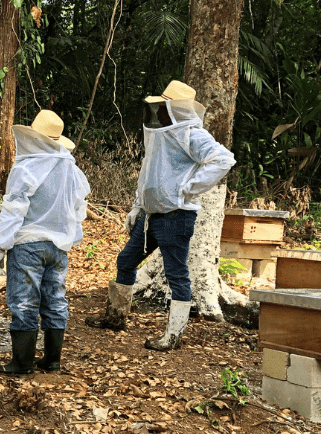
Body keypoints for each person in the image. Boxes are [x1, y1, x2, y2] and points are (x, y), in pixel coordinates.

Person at [85, 80, 235, 350]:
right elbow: (148, 173)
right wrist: (137, 205)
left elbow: (223, 159)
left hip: (176, 216)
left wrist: (188, 188)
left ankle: (173, 336)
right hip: (152, 214)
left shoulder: (191, 133)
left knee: (177, 275)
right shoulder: (160, 134)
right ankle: (115, 317)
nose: (156, 111)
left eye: (161, 106)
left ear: (173, 108)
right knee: (126, 259)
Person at [0, 110, 90, 375]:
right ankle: (52, 360)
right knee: (55, 299)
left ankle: (22, 363)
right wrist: (70, 237)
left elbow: (14, 211)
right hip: (58, 248)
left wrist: (0, 245)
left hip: (28, 245)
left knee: (24, 302)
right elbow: (79, 208)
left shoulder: (26, 168)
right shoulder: (72, 168)